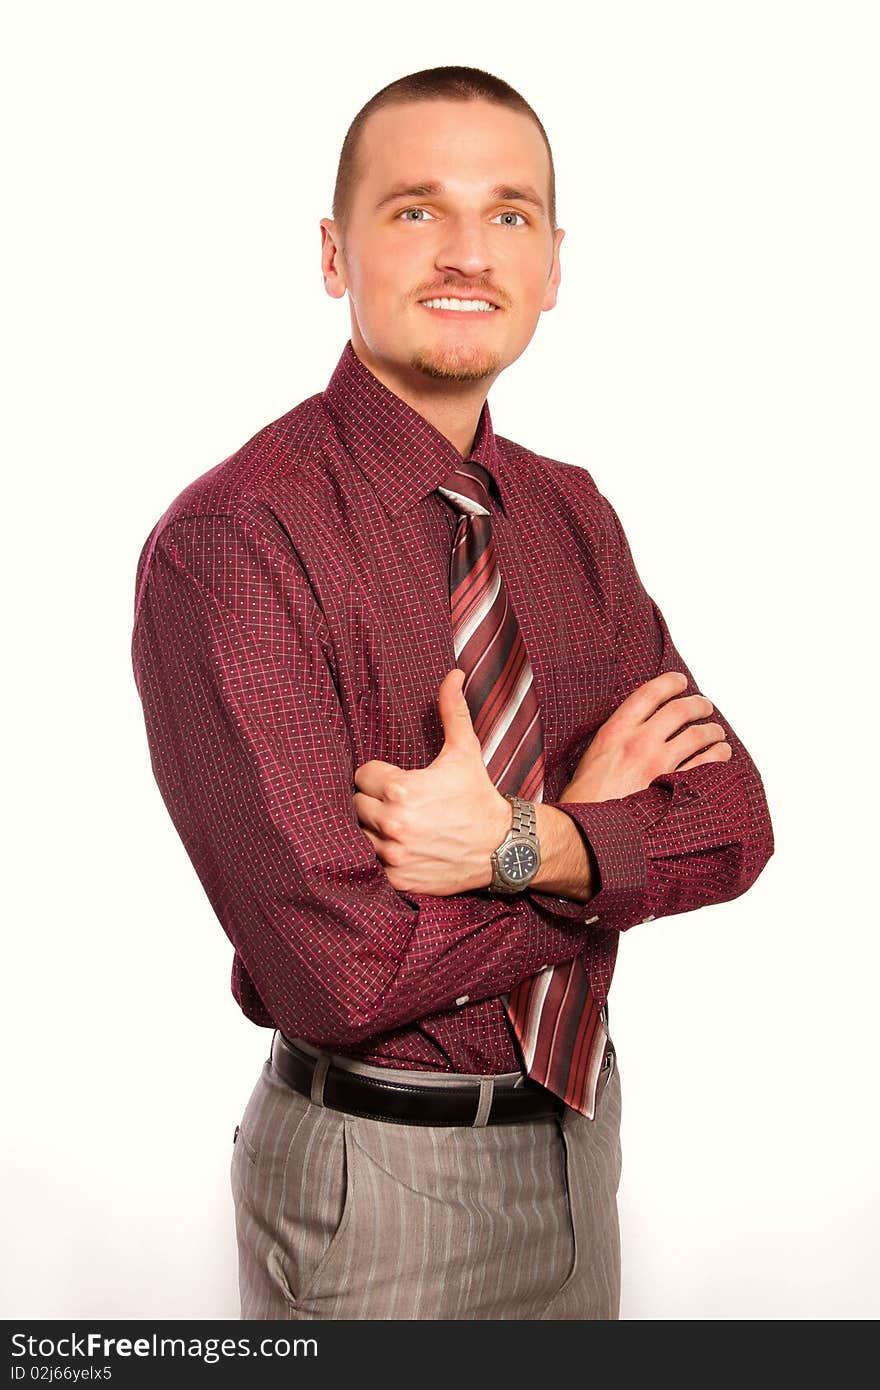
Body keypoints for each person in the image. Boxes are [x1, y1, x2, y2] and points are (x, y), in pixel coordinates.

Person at [130, 65, 774, 1321]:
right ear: (334, 252)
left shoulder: (572, 514)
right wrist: (597, 859)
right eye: (416, 210)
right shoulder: (234, 546)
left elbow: (736, 822)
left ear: (553, 261)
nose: (468, 252)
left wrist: (520, 841)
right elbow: (342, 980)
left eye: (510, 214)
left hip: (580, 1140)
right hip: (380, 1186)